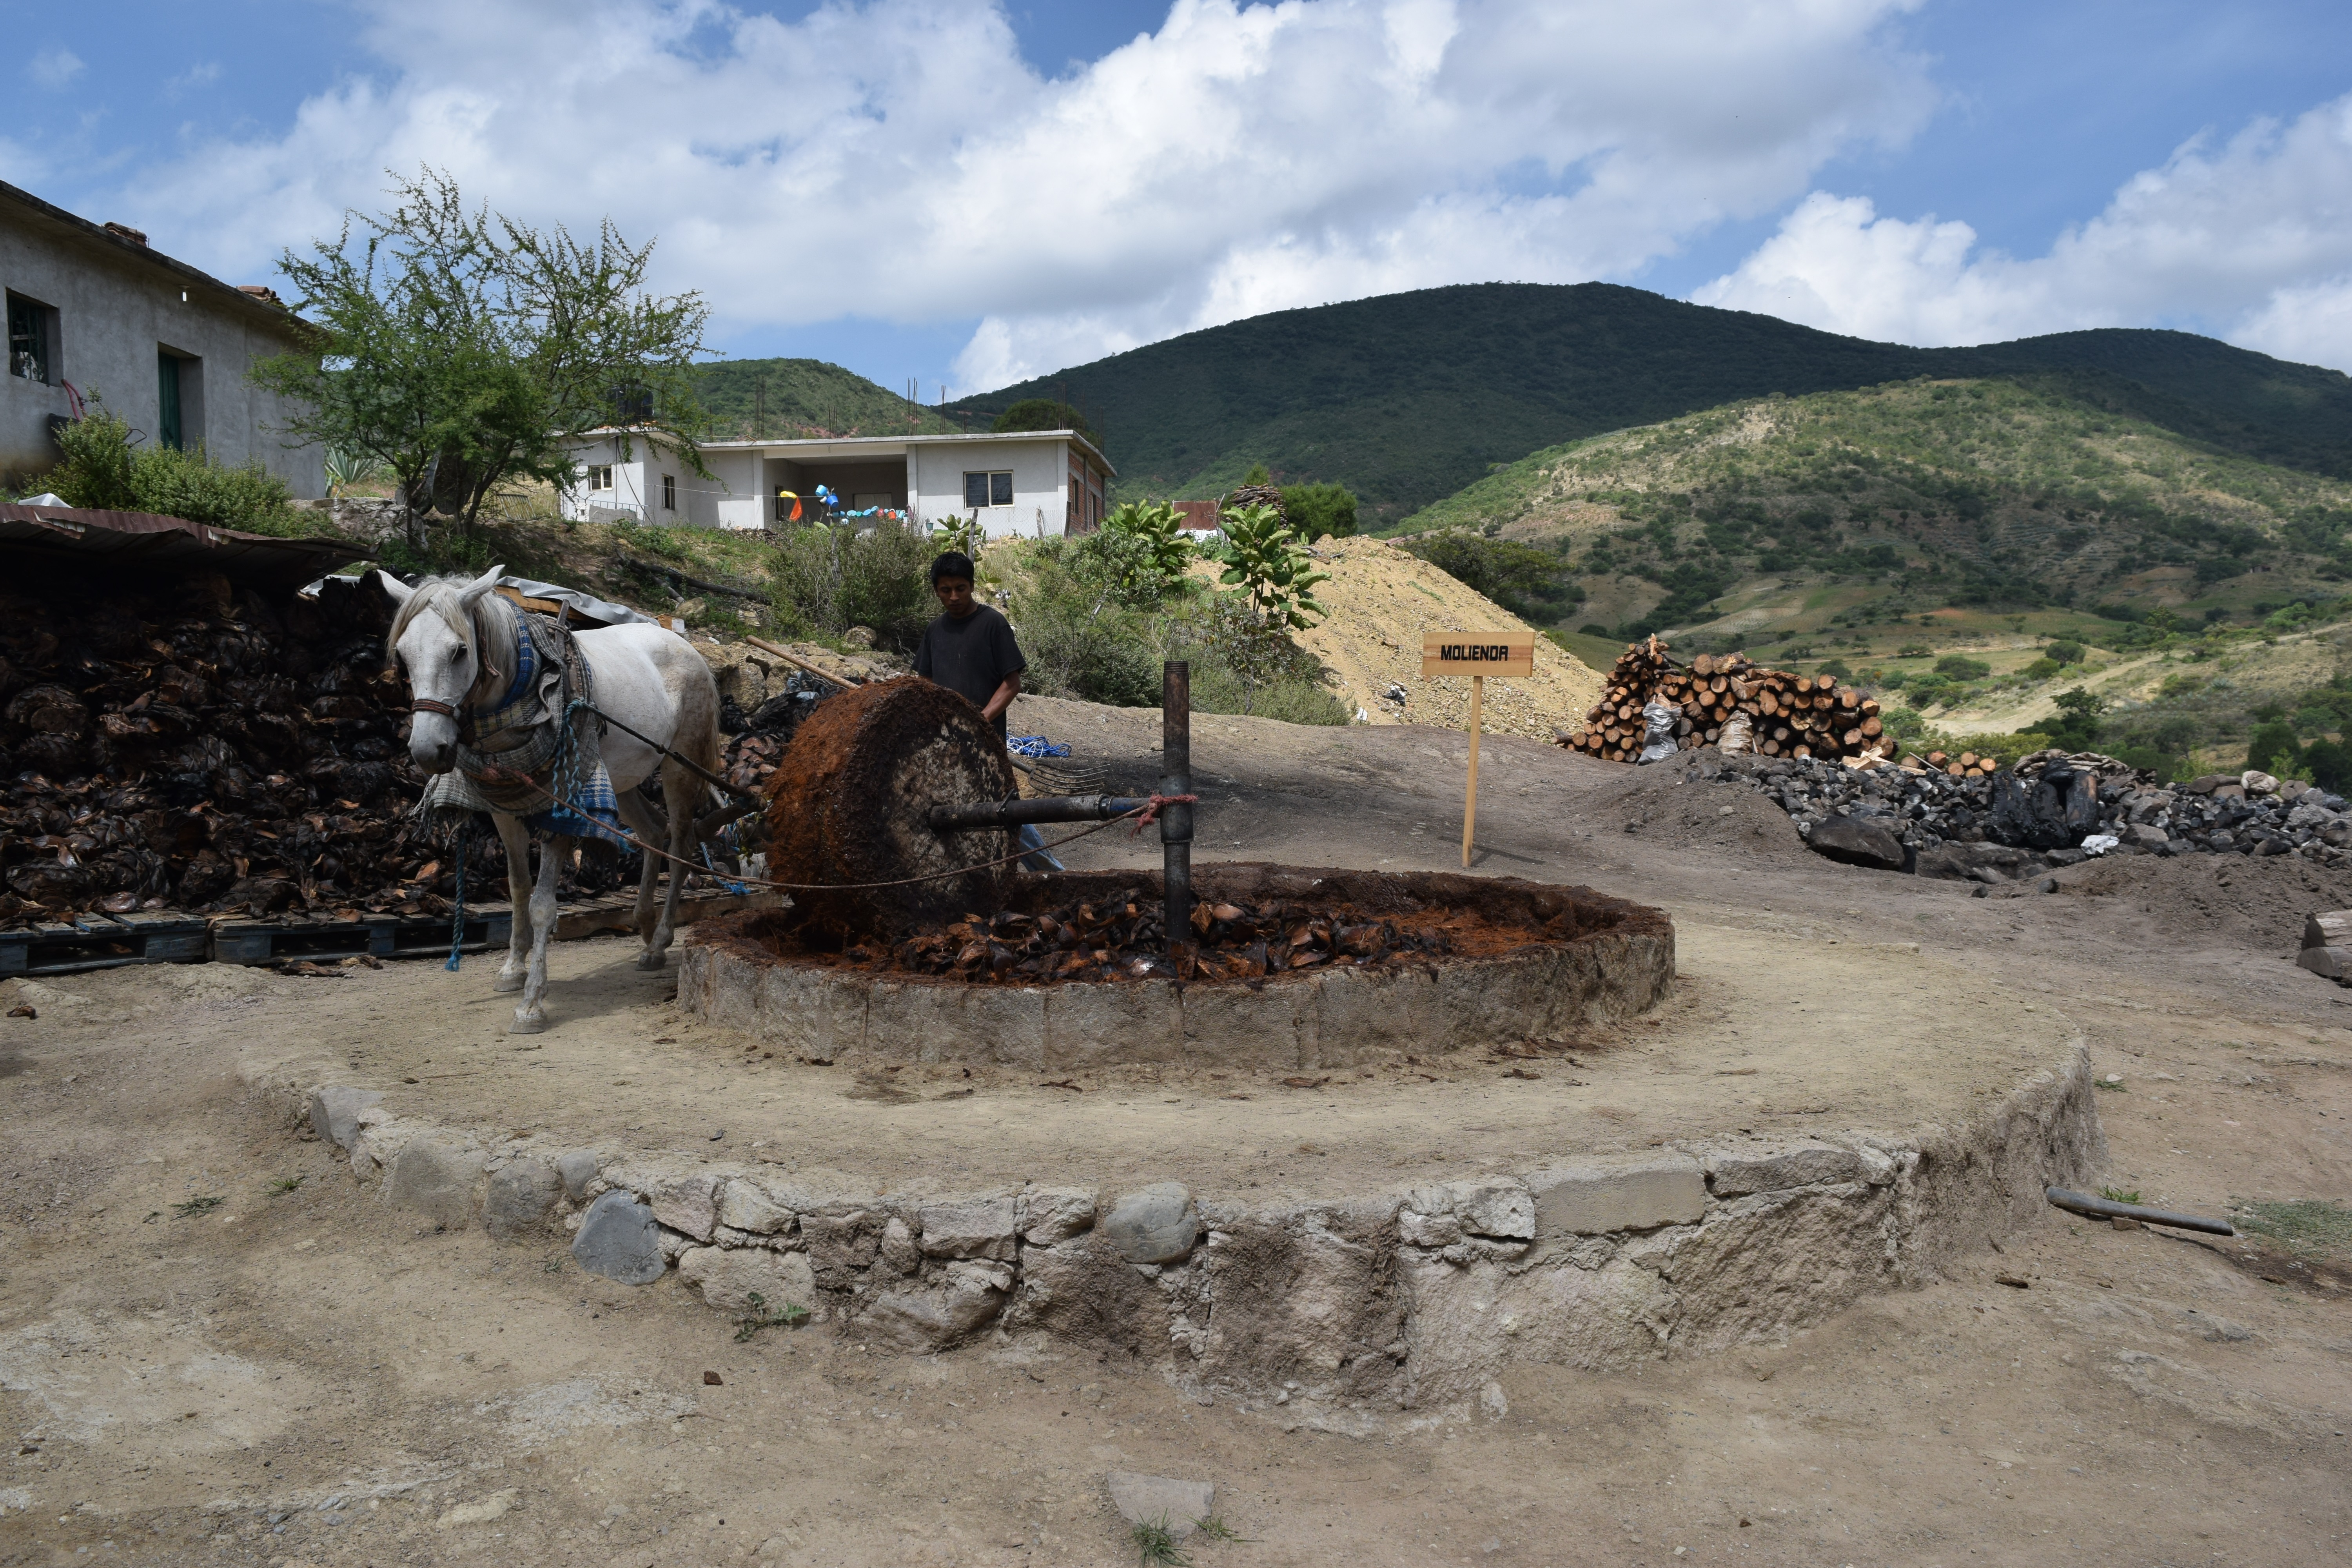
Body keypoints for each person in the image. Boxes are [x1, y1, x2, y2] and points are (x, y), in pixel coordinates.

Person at [914, 550, 1059, 869]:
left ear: (972, 586)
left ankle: (1052, 874)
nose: (954, 597)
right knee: (958, 814)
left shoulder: (993, 624)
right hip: (944, 745)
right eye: (946, 590)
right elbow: (925, 683)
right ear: (937, 591)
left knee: (1002, 809)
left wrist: (980, 720)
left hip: (986, 743)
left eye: (961, 589)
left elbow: (1012, 683)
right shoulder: (934, 631)